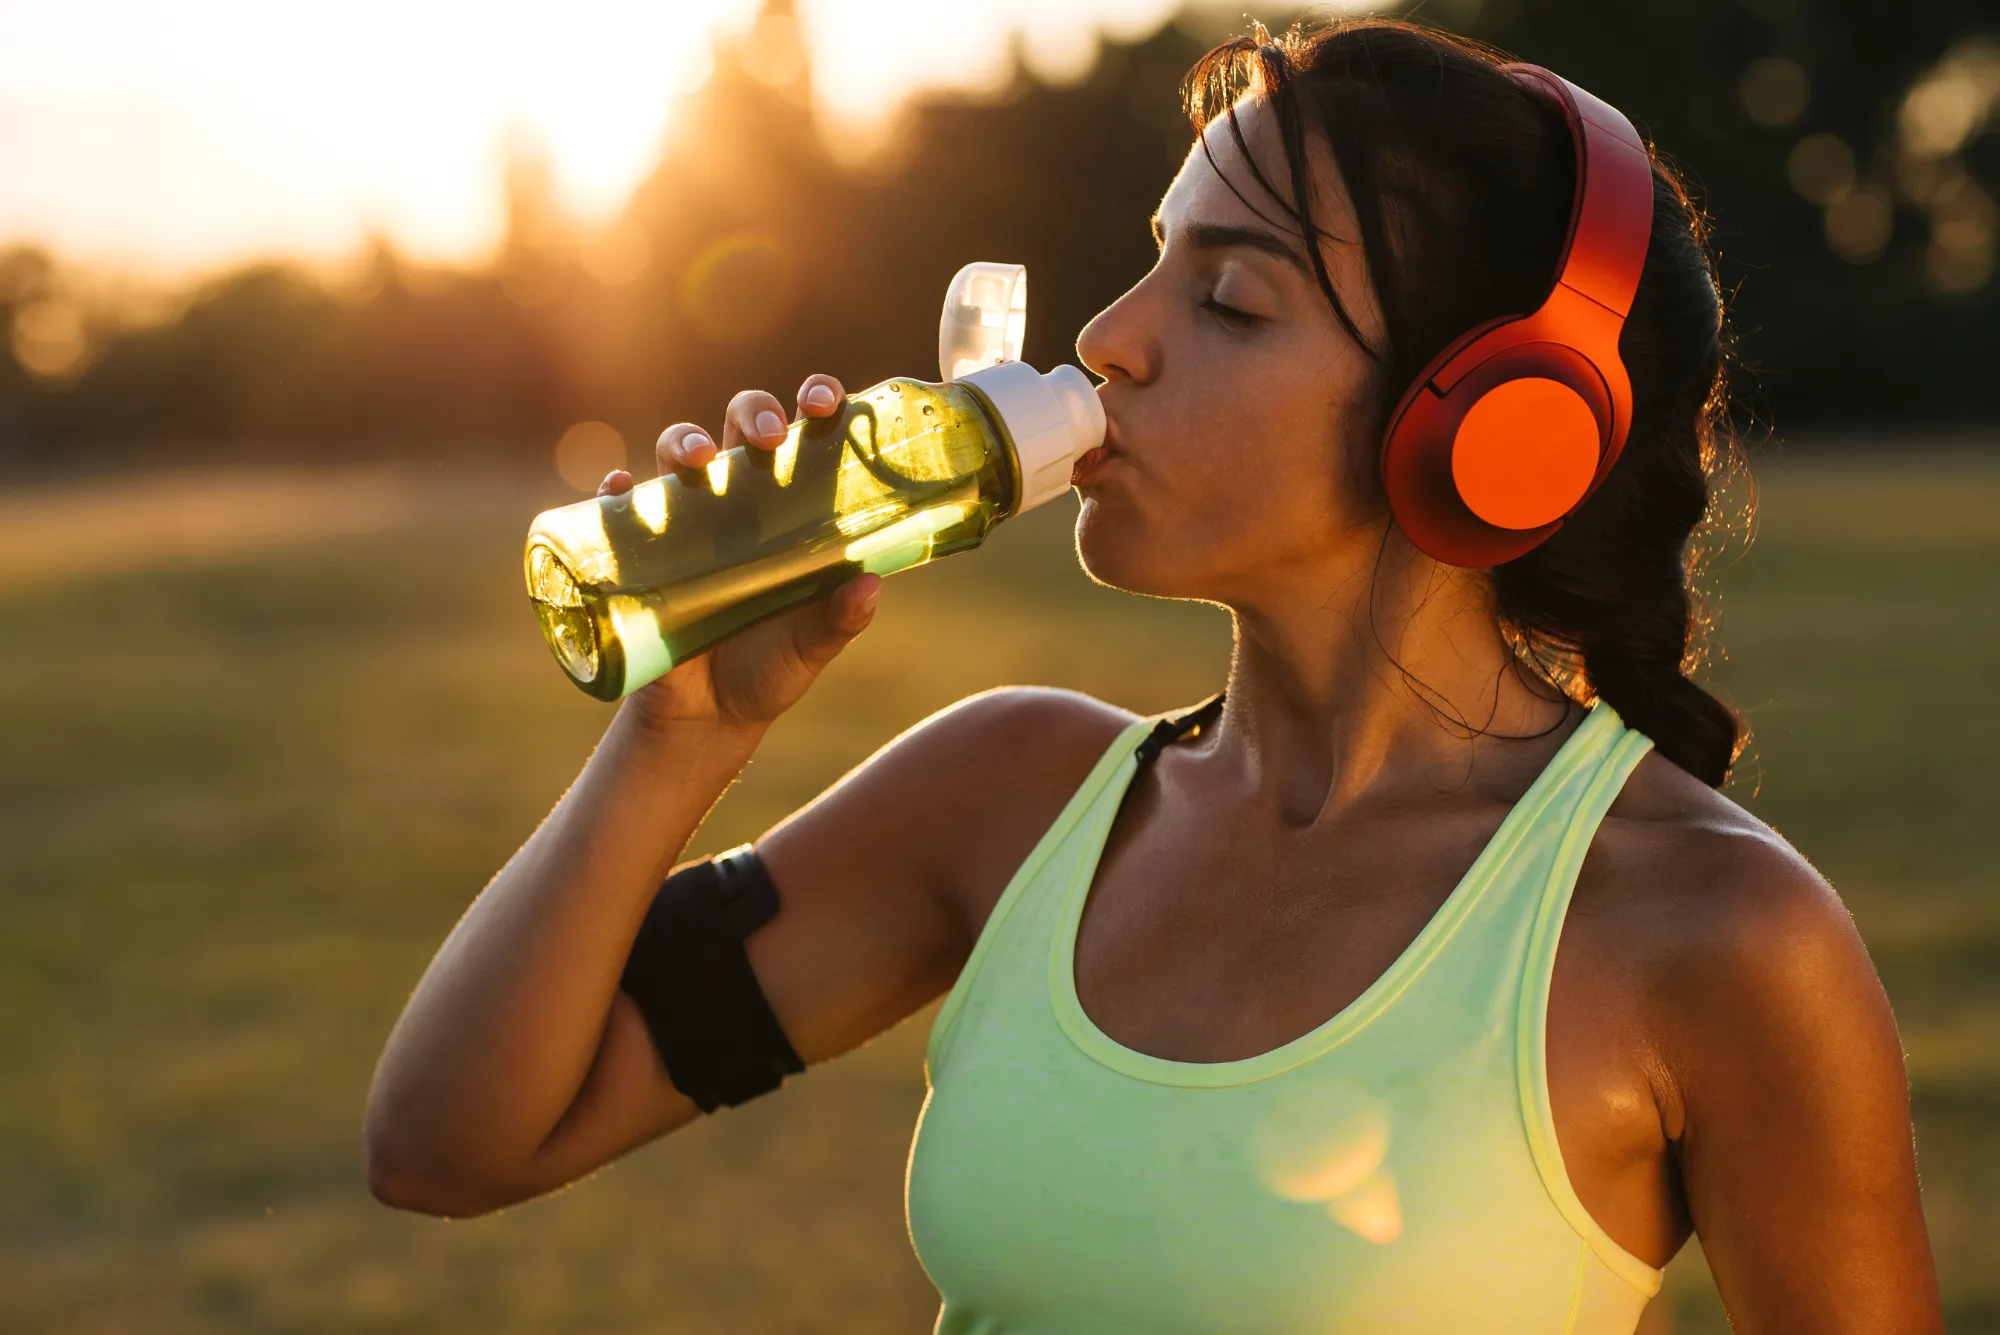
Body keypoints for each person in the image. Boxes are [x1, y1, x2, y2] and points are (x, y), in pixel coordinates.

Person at [366, 17, 1940, 1333]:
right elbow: (446, 1142)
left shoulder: (1715, 933)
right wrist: (675, 734)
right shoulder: (1003, 797)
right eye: (1150, 266)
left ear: (1489, 428)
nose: (1110, 341)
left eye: (1230, 298)